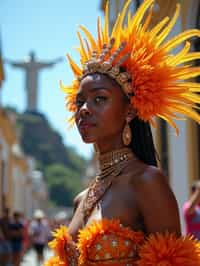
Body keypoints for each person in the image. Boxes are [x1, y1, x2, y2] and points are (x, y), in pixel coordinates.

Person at [45, 0, 200, 265]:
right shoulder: (81, 199)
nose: (84, 109)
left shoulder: (147, 182)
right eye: (79, 101)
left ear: (129, 112)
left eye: (99, 99)